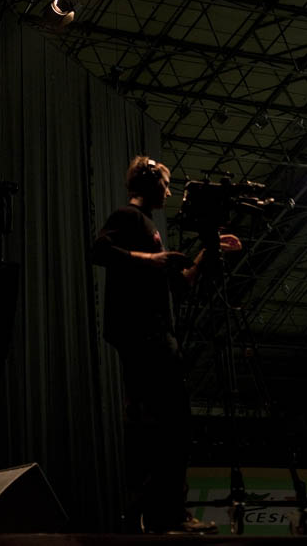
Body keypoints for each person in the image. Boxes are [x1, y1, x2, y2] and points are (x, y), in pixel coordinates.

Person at [92, 155, 241, 535]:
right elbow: (99, 250)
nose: (169, 192)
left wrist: (208, 251)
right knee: (171, 425)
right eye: (165, 183)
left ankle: (158, 514)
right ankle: (167, 514)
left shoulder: (148, 226)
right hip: (146, 336)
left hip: (155, 335)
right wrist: (152, 258)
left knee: (164, 426)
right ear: (149, 182)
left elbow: (183, 282)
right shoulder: (128, 217)